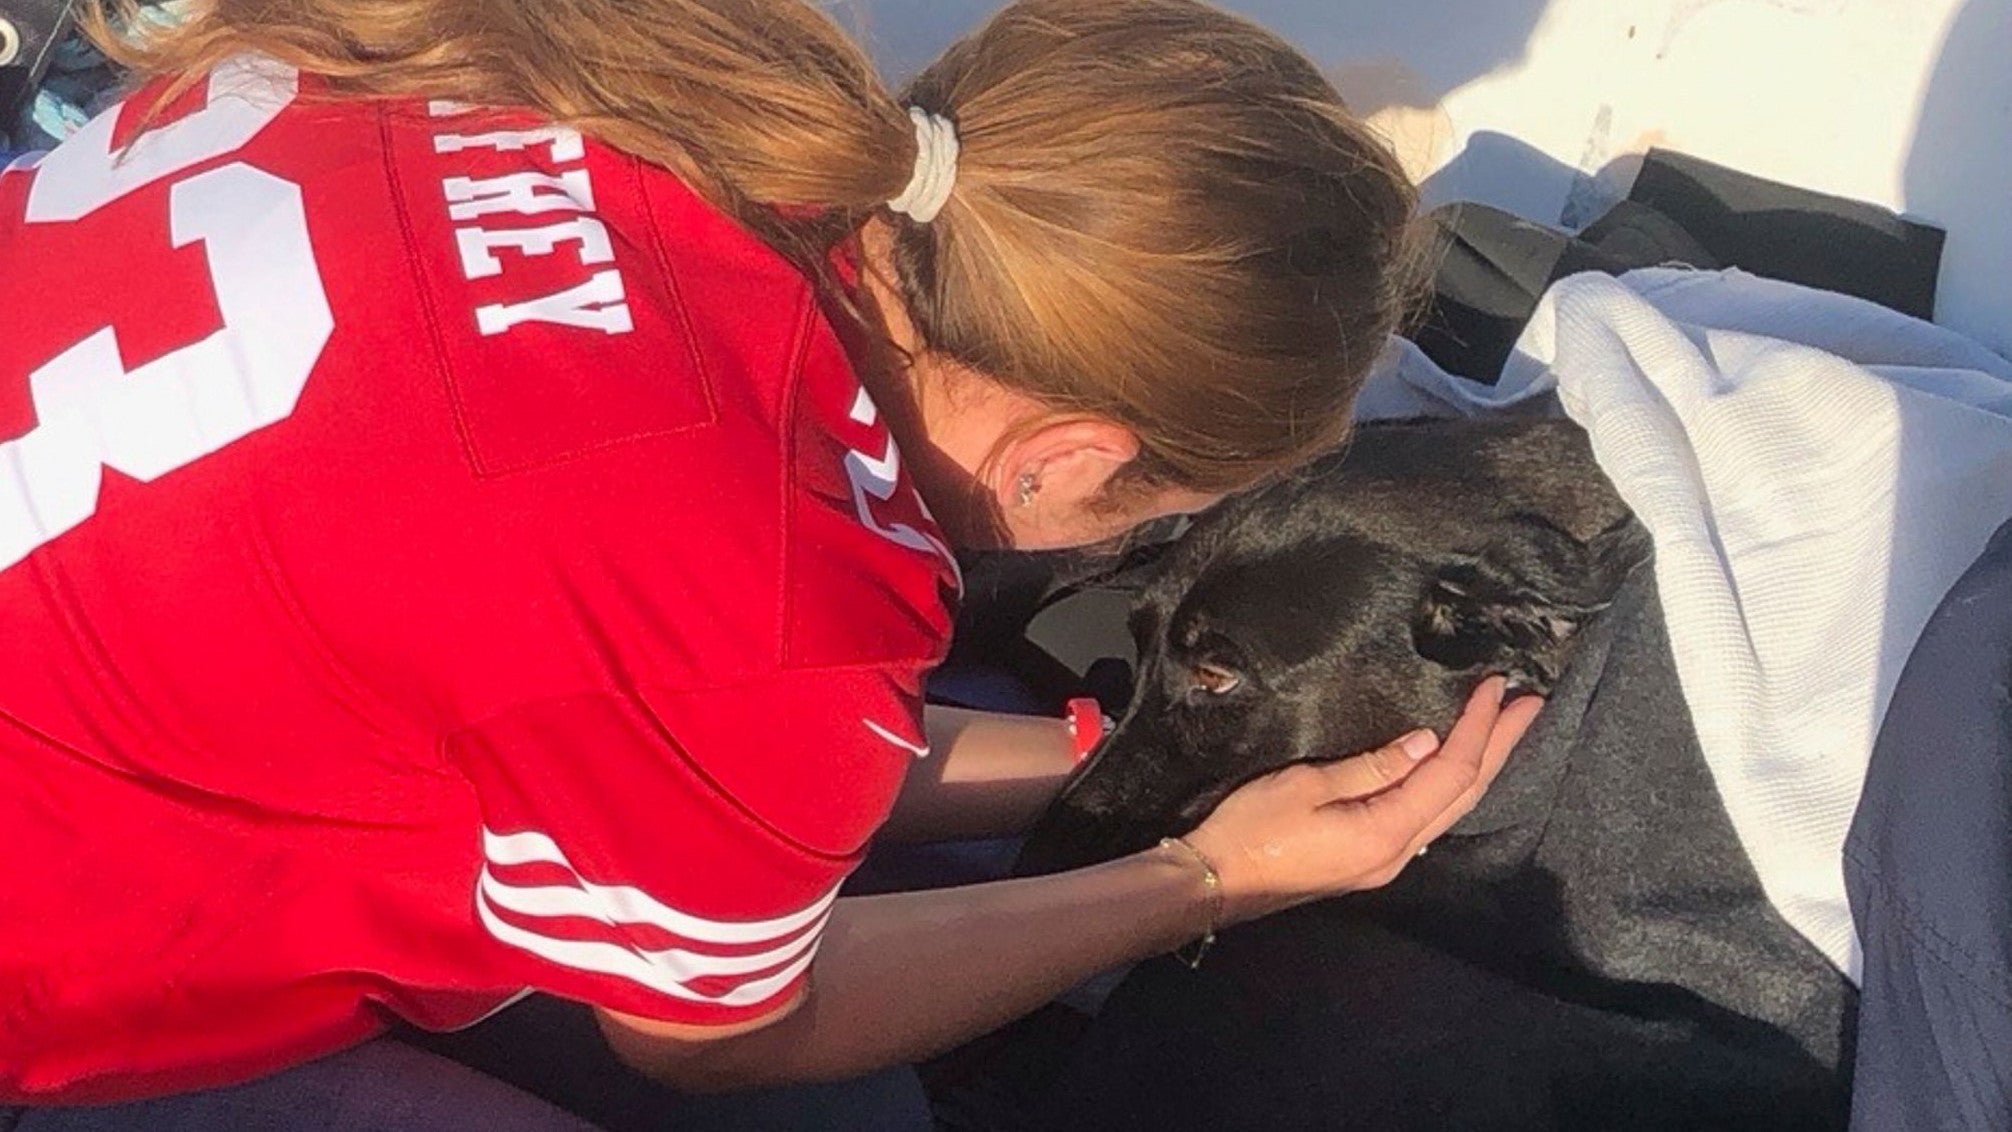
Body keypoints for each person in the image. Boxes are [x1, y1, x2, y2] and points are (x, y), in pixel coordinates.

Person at [0, 0, 1539, 1121]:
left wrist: (1110, 754)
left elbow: (683, 726)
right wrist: (1208, 875)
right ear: (1068, 453)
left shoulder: (581, 73)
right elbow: (721, 1036)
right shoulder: (765, 591)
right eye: (1153, 510)